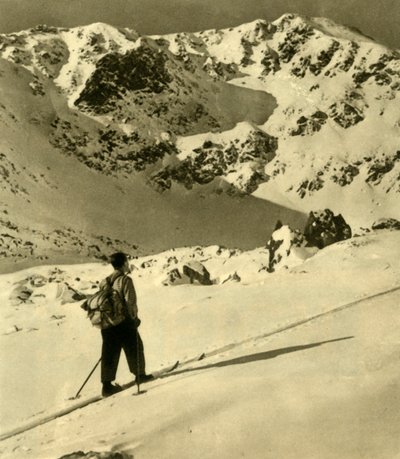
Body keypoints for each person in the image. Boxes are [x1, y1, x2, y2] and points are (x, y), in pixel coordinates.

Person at [100, 252, 153, 397]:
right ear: (123, 263)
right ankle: (140, 375)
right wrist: (134, 318)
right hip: (123, 322)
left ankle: (106, 386)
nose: (128, 264)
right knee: (134, 347)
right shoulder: (125, 280)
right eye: (127, 262)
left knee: (109, 353)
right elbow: (131, 302)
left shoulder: (104, 282)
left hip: (107, 324)